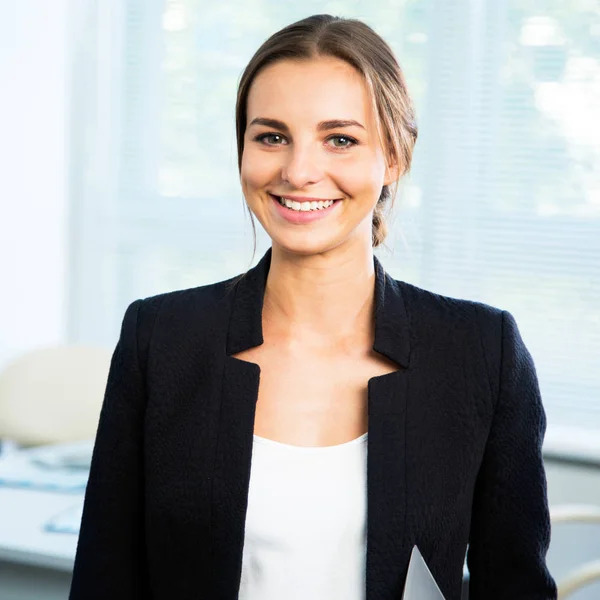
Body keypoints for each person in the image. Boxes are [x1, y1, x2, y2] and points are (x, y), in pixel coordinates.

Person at [69, 14, 557, 600]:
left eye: (341, 139)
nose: (299, 172)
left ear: (395, 157)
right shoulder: (161, 338)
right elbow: (105, 579)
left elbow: (517, 586)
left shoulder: (481, 351)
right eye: (271, 136)